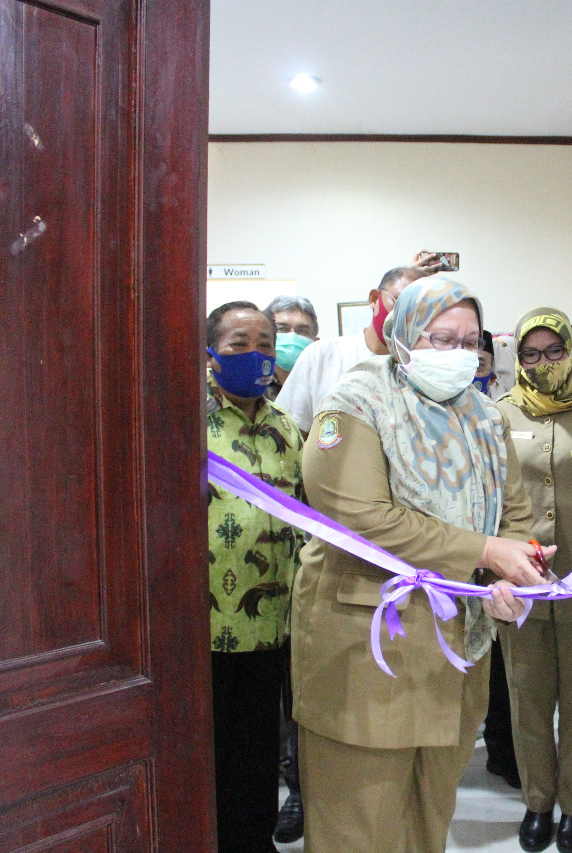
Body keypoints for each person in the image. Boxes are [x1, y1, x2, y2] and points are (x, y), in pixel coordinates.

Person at [290, 278, 551, 852]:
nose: (457, 354)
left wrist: (513, 575)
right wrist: (484, 553)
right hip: (366, 645)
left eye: (468, 341)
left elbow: (514, 513)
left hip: (455, 648)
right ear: (402, 335)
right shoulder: (355, 404)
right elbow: (363, 516)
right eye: (440, 338)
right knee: (357, 821)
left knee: (430, 812)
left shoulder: (484, 415)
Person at [496, 308, 572, 853]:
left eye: (554, 351)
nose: (543, 364)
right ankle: (538, 802)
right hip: (521, 584)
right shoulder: (498, 412)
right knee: (528, 700)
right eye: (530, 354)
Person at [205, 301, 305, 853]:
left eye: (265, 344)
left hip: (275, 627)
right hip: (207, 629)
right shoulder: (185, 425)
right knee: (211, 756)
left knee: (260, 753)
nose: (256, 354)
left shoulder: (288, 429)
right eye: (239, 344)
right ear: (211, 354)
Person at [262, 293, 319, 843]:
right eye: (281, 328)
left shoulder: (308, 412)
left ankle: (300, 793)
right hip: (245, 592)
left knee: (300, 698)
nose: (290, 338)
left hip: (303, 574)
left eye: (303, 328)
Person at [276, 253, 441, 434]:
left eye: (419, 310)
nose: (406, 316)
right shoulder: (322, 355)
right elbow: (289, 433)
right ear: (374, 299)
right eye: (399, 302)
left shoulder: (424, 368)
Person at [266, 294, 320, 399]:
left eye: (302, 331)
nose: (292, 336)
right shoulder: (255, 382)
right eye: (282, 329)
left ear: (316, 341)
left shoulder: (324, 383)